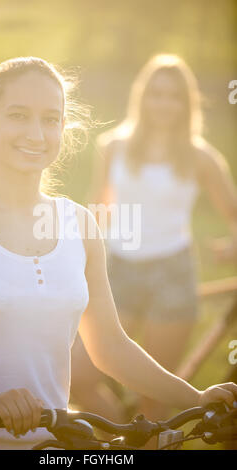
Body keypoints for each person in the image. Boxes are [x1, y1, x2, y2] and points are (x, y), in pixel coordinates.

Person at [0, 56, 236, 450]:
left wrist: (194, 398)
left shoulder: (80, 224)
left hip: (53, 448)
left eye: (50, 119)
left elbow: (110, 347)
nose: (36, 133)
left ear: (63, 127)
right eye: (18, 115)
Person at [70, 54, 237, 425]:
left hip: (172, 274)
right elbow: (96, 211)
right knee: (80, 376)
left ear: (187, 103)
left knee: (156, 398)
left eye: (174, 96)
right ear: (142, 97)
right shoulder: (113, 146)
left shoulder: (201, 157)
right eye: (156, 94)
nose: (164, 103)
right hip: (117, 272)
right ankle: (123, 437)